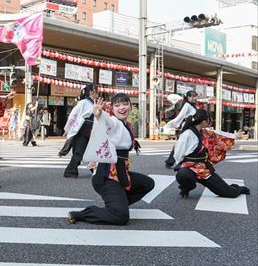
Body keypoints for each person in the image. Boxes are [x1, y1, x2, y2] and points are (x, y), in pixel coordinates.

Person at [67, 94, 155, 225]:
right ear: (112, 109)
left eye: (125, 104)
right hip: (106, 177)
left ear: (130, 106)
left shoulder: (128, 125)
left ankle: (119, 203)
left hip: (121, 175)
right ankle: (81, 214)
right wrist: (98, 115)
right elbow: (107, 122)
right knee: (120, 217)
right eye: (117, 105)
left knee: (148, 183)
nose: (122, 108)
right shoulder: (114, 123)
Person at [173, 109, 250, 199]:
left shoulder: (205, 132)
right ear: (204, 121)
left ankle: (237, 188)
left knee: (230, 193)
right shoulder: (187, 134)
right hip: (188, 169)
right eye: (209, 119)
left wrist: (235, 135)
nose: (210, 121)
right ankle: (186, 188)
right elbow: (177, 155)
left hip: (203, 169)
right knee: (183, 174)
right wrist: (181, 166)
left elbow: (219, 135)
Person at [60, 85, 98, 178]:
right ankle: (70, 171)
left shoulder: (93, 103)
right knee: (79, 151)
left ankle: (95, 169)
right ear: (91, 92)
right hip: (83, 129)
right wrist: (67, 129)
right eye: (96, 90)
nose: (97, 92)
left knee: (89, 151)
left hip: (91, 129)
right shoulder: (83, 102)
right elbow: (73, 115)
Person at [164, 90, 198, 168]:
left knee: (191, 143)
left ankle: (189, 161)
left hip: (193, 126)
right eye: (191, 96)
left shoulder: (193, 105)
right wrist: (173, 124)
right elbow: (181, 116)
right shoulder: (187, 105)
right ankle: (171, 162)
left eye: (194, 96)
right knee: (180, 143)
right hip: (187, 126)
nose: (193, 98)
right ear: (188, 97)